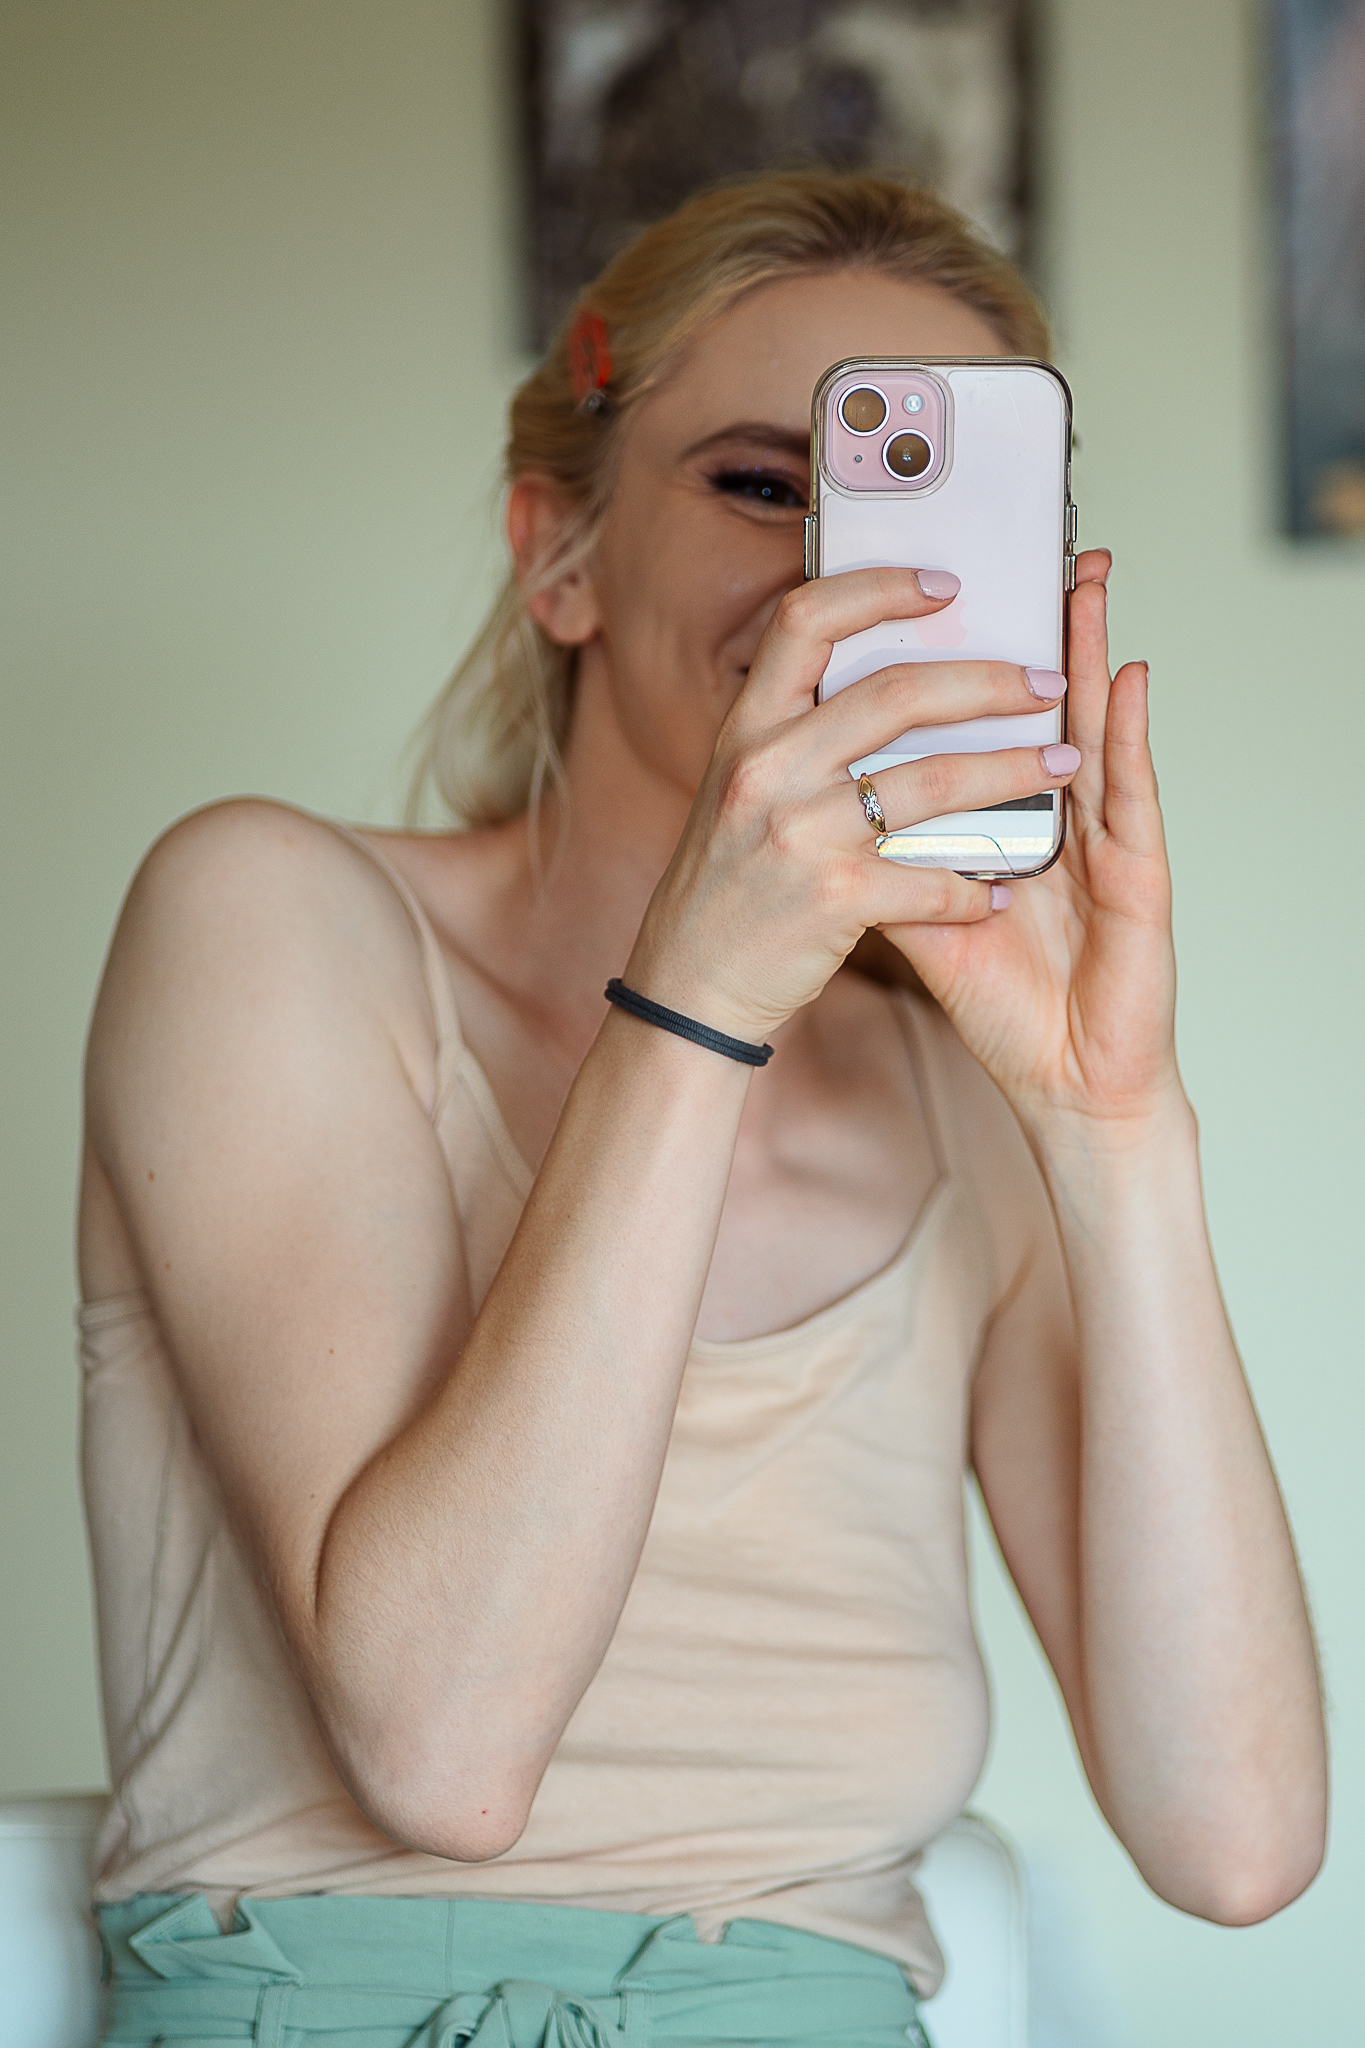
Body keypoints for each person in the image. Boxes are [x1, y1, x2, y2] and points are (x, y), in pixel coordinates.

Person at [79, 174, 1326, 2046]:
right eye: (759, 485)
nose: (842, 584)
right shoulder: (269, 918)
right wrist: (699, 1004)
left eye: (932, 508)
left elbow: (1233, 1843)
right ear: (557, 557)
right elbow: (442, 1752)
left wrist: (1116, 1131)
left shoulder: (960, 1096)